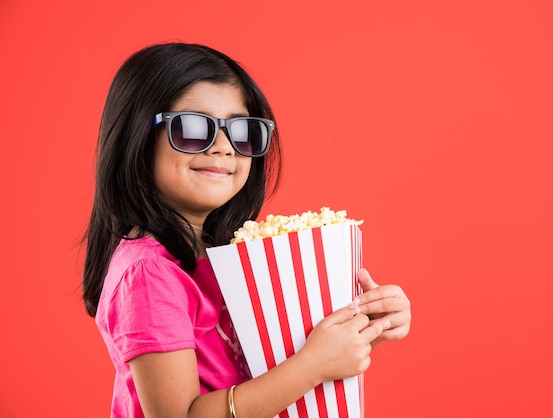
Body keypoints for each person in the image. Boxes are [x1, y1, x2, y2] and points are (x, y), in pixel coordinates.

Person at [82, 42, 411, 418]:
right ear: (137, 138)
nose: (224, 148)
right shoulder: (149, 272)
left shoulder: (224, 252)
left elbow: (264, 371)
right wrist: (313, 365)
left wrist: (360, 331)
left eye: (242, 131)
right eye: (192, 128)